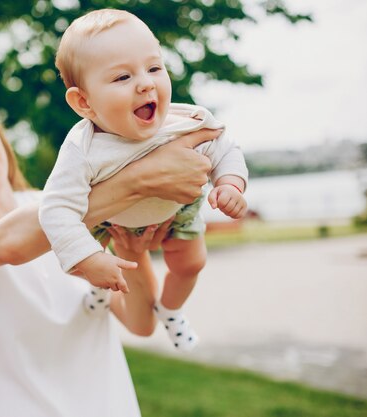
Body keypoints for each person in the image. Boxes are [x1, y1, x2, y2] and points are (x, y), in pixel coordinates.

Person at [0, 78, 220, 417]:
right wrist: (140, 178)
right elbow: (9, 244)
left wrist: (132, 249)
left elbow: (139, 322)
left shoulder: (52, 202)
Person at [39, 9, 248, 352]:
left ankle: (172, 310)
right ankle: (98, 288)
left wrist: (230, 183)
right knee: (87, 260)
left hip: (175, 212)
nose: (146, 82)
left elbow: (224, 146)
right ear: (84, 101)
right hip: (111, 222)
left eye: (154, 68)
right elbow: (56, 208)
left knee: (192, 262)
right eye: (122, 77)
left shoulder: (185, 120)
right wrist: (89, 258)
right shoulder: (83, 147)